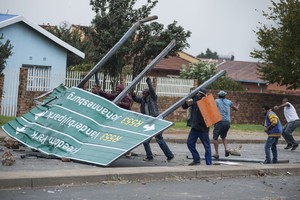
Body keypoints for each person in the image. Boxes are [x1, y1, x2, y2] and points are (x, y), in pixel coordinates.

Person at [131, 77, 174, 161]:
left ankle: (168, 155)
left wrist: (149, 82)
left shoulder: (152, 98)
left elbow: (152, 90)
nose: (142, 95)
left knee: (159, 140)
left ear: (148, 94)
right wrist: (133, 95)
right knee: (146, 141)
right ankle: (153, 156)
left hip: (156, 120)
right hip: (148, 121)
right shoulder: (143, 100)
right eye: (142, 94)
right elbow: (136, 99)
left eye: (144, 94)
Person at [92, 83, 134, 157]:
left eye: (119, 90)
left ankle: (128, 151)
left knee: (124, 135)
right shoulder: (117, 95)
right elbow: (109, 96)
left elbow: (128, 105)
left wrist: (120, 103)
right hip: (118, 118)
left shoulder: (127, 97)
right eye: (117, 90)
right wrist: (101, 91)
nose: (117, 91)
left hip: (125, 119)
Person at [182, 88, 212, 165]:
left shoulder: (206, 102)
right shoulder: (194, 99)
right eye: (198, 94)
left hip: (204, 128)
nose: (198, 95)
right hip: (195, 127)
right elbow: (184, 107)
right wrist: (186, 102)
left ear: (203, 95)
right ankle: (196, 159)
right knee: (190, 143)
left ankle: (209, 163)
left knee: (207, 146)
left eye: (200, 94)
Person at [212, 90, 239, 159]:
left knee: (215, 138)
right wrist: (238, 107)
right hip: (227, 122)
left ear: (219, 95)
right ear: (225, 95)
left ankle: (217, 153)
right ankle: (226, 149)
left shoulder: (216, 101)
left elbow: (211, 107)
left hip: (219, 121)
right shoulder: (229, 102)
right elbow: (236, 109)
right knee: (223, 137)